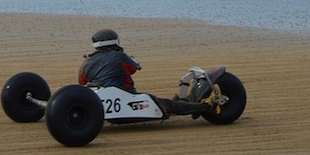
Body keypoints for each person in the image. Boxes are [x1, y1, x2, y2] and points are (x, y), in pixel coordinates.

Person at [78, 28, 219, 117]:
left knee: (166, 103)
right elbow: (133, 68)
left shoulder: (86, 61)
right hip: (126, 97)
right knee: (167, 105)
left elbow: (82, 83)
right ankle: (206, 107)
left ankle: (183, 103)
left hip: (98, 100)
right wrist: (132, 60)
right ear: (114, 42)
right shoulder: (119, 56)